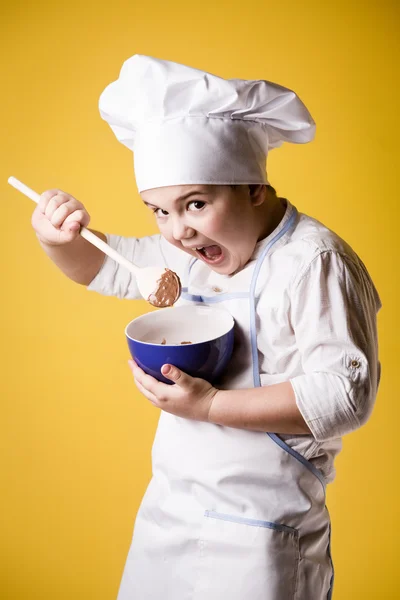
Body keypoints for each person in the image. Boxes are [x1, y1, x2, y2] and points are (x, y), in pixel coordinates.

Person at [31, 55, 381, 600]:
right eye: (158, 211)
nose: (179, 231)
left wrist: (210, 407)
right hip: (169, 516)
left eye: (195, 204)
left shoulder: (313, 263)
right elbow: (102, 265)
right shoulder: (187, 254)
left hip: (261, 534)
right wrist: (59, 239)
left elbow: (344, 395)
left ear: (253, 188)